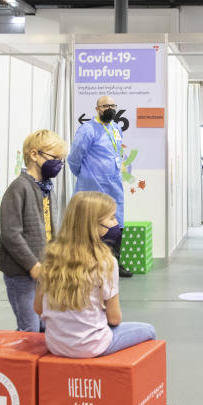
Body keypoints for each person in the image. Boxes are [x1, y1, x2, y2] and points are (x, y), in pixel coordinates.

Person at [33, 191, 179, 405]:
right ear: (93, 225)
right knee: (149, 331)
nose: (116, 223)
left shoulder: (50, 258)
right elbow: (115, 319)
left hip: (56, 344)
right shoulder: (106, 262)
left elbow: (38, 309)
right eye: (111, 219)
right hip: (91, 345)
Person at [0, 129, 68, 332]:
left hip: (45, 272)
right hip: (21, 273)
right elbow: (11, 233)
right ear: (34, 154)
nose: (58, 164)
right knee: (29, 328)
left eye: (61, 159)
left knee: (46, 327)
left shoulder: (48, 189)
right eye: (54, 157)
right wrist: (32, 265)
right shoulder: (18, 188)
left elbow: (51, 232)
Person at [67, 96, 131, 278]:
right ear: (97, 108)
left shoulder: (116, 128)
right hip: (92, 187)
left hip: (114, 186)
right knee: (90, 227)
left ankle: (114, 265)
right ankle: (88, 267)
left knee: (117, 225)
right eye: (105, 106)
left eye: (112, 105)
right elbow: (74, 158)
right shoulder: (87, 130)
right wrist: (85, 176)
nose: (109, 108)